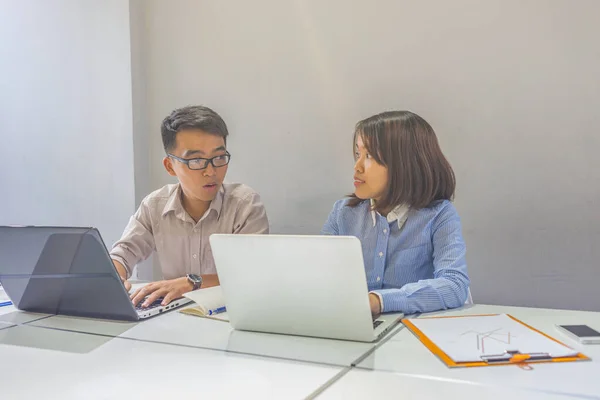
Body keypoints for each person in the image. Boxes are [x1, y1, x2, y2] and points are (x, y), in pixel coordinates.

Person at [110, 105, 269, 308]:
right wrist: (115, 277)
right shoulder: (155, 206)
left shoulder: (245, 206)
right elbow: (123, 253)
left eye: (219, 157)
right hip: (172, 318)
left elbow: (251, 275)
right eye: (196, 160)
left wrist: (191, 283)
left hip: (229, 315)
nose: (211, 171)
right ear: (170, 166)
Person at [322, 110, 469, 316]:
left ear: (405, 163)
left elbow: (454, 285)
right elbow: (319, 277)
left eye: (369, 156)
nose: (357, 167)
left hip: (412, 334)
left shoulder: (439, 215)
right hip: (352, 326)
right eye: (358, 154)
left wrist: (379, 301)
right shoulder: (343, 212)